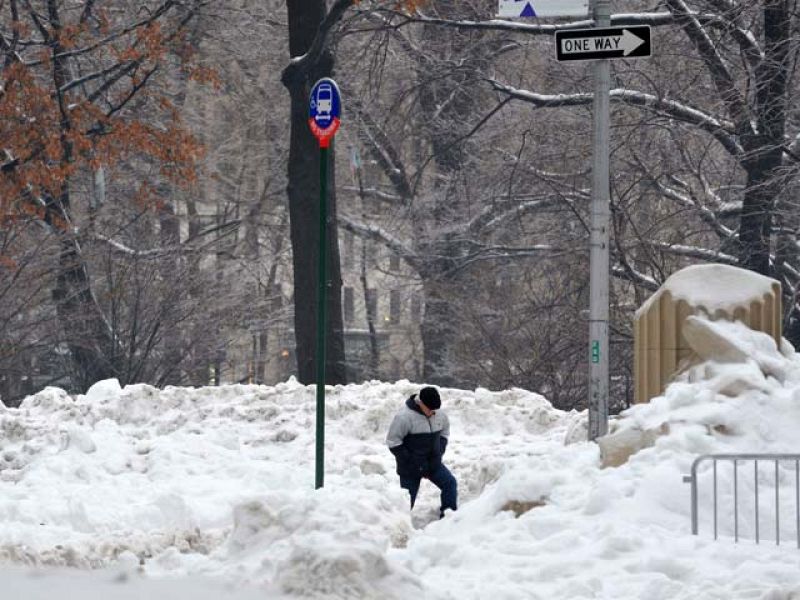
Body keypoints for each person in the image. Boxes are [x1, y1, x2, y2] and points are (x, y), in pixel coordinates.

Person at [386, 386, 457, 518]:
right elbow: (393, 442)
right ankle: (399, 525)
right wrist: (412, 461)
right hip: (410, 468)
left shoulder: (439, 413)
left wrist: (439, 450)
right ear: (420, 403)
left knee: (450, 483)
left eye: (435, 410)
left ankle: (449, 518)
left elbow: (444, 432)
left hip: (433, 464)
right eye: (430, 409)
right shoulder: (404, 417)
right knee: (406, 501)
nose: (433, 413)